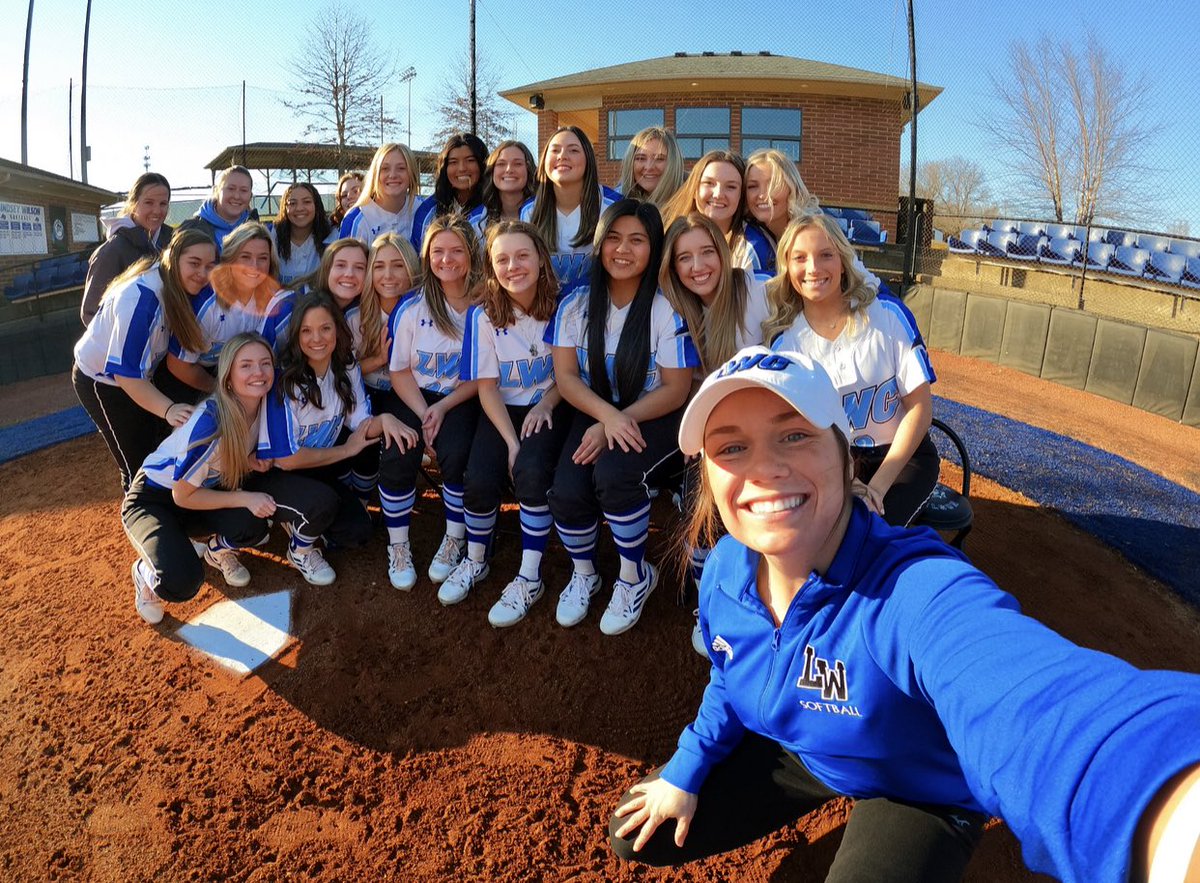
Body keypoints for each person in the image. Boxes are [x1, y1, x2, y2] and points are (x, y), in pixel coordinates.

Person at [608, 345, 1200, 883]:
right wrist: (686, 767)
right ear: (709, 479)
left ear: (844, 458)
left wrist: (1166, 813)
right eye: (732, 447)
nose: (763, 468)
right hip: (805, 752)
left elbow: (1040, 707)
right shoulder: (725, 570)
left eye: (794, 436)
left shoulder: (915, 589)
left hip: (914, 785)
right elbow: (728, 670)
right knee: (634, 836)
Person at [546, 199, 699, 635]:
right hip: (595, 408)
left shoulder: (666, 306)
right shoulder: (576, 302)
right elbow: (566, 375)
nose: (623, 249)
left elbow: (676, 387)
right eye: (613, 237)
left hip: (653, 412)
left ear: (654, 249)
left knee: (614, 476)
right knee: (567, 488)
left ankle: (634, 575)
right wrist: (605, 418)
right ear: (599, 243)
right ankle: (585, 573)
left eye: (637, 240)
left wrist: (615, 420)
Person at [122, 333, 336, 621]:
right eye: (245, 365)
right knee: (181, 582)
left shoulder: (264, 404)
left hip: (204, 489)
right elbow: (181, 494)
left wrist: (248, 461)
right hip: (156, 498)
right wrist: (245, 496)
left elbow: (219, 463)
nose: (258, 372)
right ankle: (145, 572)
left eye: (265, 363)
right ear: (228, 377)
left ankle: (212, 550)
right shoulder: (211, 420)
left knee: (252, 525)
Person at [764, 213, 937, 528]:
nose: (814, 268)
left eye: (826, 255)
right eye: (800, 258)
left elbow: (920, 408)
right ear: (787, 269)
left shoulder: (887, 315)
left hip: (902, 459)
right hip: (829, 462)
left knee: (870, 530)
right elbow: (798, 435)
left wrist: (876, 489)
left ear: (843, 262)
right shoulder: (785, 346)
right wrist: (846, 481)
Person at [444, 220, 573, 623]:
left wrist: (546, 405)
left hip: (552, 404)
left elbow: (570, 376)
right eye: (502, 259)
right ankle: (476, 558)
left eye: (522, 256)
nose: (513, 266)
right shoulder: (482, 316)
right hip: (502, 409)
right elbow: (486, 388)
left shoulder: (564, 304)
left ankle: (529, 575)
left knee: (532, 473)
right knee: (480, 477)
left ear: (540, 259)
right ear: (490, 266)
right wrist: (510, 442)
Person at [659, 212, 771, 651]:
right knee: (700, 503)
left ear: (723, 254)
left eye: (707, 252)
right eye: (684, 257)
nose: (697, 265)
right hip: (714, 434)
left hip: (767, 426)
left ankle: (763, 592)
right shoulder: (675, 308)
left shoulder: (754, 289)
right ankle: (709, 600)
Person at [258, 291, 416, 584]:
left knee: (358, 531)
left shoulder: (345, 366)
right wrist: (345, 451)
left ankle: (303, 518)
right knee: (323, 503)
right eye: (306, 330)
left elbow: (360, 423)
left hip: (318, 467)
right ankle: (300, 549)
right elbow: (287, 460)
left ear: (337, 330)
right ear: (296, 336)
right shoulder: (285, 382)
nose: (316, 338)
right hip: (275, 475)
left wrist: (386, 420)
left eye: (325, 328)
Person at [379, 214, 482, 590]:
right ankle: (399, 545)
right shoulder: (411, 307)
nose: (447, 259)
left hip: (461, 397)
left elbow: (481, 377)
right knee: (397, 448)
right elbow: (400, 371)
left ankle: (454, 536)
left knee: (455, 451)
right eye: (438, 251)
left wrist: (442, 408)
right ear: (426, 255)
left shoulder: (484, 302)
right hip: (414, 394)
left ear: (472, 254)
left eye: (456, 250)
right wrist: (424, 412)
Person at [73, 228, 214, 491]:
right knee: (135, 464)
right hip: (102, 380)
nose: (202, 274)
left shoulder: (178, 285)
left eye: (210, 266)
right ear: (173, 257)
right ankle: (140, 518)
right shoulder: (141, 299)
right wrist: (169, 409)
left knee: (156, 447)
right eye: (194, 263)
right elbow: (126, 376)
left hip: (140, 375)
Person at [165, 222, 295, 397]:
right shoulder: (207, 302)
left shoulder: (273, 298)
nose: (254, 266)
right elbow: (178, 365)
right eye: (245, 257)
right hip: (197, 379)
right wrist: (222, 392)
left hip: (237, 374)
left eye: (263, 258)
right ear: (230, 259)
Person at [344, 233, 421, 503]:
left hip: (407, 394)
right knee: (363, 433)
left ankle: (394, 488)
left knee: (399, 442)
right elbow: (346, 371)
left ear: (411, 267)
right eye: (379, 266)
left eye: (398, 265)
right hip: (367, 389)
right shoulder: (356, 317)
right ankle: (361, 499)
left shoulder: (421, 311)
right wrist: (377, 359)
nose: (388, 274)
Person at [744, 147, 882, 287]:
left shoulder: (817, 230)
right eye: (752, 186)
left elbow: (866, 281)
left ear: (792, 187)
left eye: (772, 184)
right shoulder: (751, 234)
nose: (762, 195)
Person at [522, 126, 621, 296]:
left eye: (573, 150)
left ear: (588, 159)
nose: (562, 156)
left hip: (600, 306)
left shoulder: (612, 206)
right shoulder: (530, 211)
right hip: (547, 308)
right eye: (555, 150)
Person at [81, 172, 174, 326]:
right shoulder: (113, 250)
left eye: (163, 204)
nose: (157, 211)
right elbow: (91, 313)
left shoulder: (173, 242)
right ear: (134, 203)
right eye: (149, 202)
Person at [661, 149, 770, 273]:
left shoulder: (752, 249)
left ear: (741, 196)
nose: (718, 194)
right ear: (695, 190)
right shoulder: (670, 238)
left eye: (731, 187)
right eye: (709, 183)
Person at [411, 133, 488, 251]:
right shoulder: (429, 209)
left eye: (470, 160)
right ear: (444, 168)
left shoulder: (493, 207)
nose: (462, 168)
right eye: (453, 162)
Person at [340, 143, 424, 246]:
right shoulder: (356, 218)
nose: (393, 175)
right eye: (385, 169)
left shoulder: (423, 209)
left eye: (401, 168)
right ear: (375, 174)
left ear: (412, 174)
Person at [179, 165, 257, 253]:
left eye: (243, 190)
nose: (237, 196)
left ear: (250, 195)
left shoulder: (256, 230)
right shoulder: (191, 230)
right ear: (217, 191)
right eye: (231, 189)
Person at [467, 140, 537, 239]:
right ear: (492, 171)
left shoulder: (543, 211)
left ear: (528, 170)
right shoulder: (477, 221)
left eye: (517, 164)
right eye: (501, 164)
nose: (509, 169)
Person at [269, 182, 330, 287]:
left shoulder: (331, 235)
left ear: (316, 205)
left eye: (307, 202)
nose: (299, 208)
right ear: (284, 208)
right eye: (292, 203)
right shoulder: (272, 235)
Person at [615, 127, 684, 207]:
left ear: (674, 163)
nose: (649, 167)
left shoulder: (693, 205)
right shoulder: (615, 203)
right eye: (641, 158)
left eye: (659, 159)